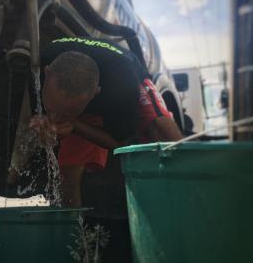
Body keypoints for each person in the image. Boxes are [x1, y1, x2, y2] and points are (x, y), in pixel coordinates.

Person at [30, 37, 183, 207]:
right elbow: (31, 115)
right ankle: (74, 227)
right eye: (51, 107)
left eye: (65, 113)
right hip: (87, 85)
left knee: (162, 130)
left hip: (128, 72)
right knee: (67, 169)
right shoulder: (41, 61)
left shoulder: (123, 91)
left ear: (95, 94)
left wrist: (75, 125)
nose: (55, 118)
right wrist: (41, 122)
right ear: (46, 72)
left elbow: (121, 143)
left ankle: (192, 185)